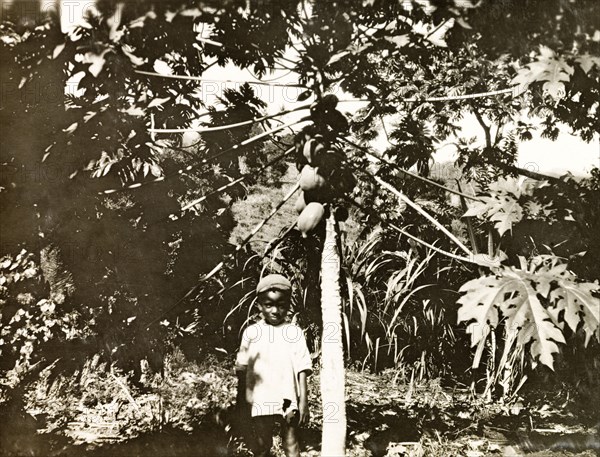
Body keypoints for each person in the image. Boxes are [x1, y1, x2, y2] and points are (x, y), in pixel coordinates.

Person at [235, 274, 312, 457]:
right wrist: (242, 402)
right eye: (269, 305)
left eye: (282, 305)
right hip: (260, 397)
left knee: (291, 443)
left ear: (288, 306)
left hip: (288, 398)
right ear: (259, 305)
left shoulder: (294, 332)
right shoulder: (251, 332)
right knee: (262, 444)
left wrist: (304, 402)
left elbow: (302, 368)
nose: (275, 311)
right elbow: (242, 369)